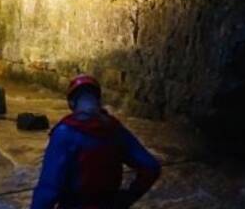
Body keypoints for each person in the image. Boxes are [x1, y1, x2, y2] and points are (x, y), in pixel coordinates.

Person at [30, 74, 160, 209]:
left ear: (71, 104)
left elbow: (49, 188)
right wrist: (126, 198)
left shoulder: (65, 133)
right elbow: (150, 167)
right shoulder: (114, 129)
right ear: (98, 101)